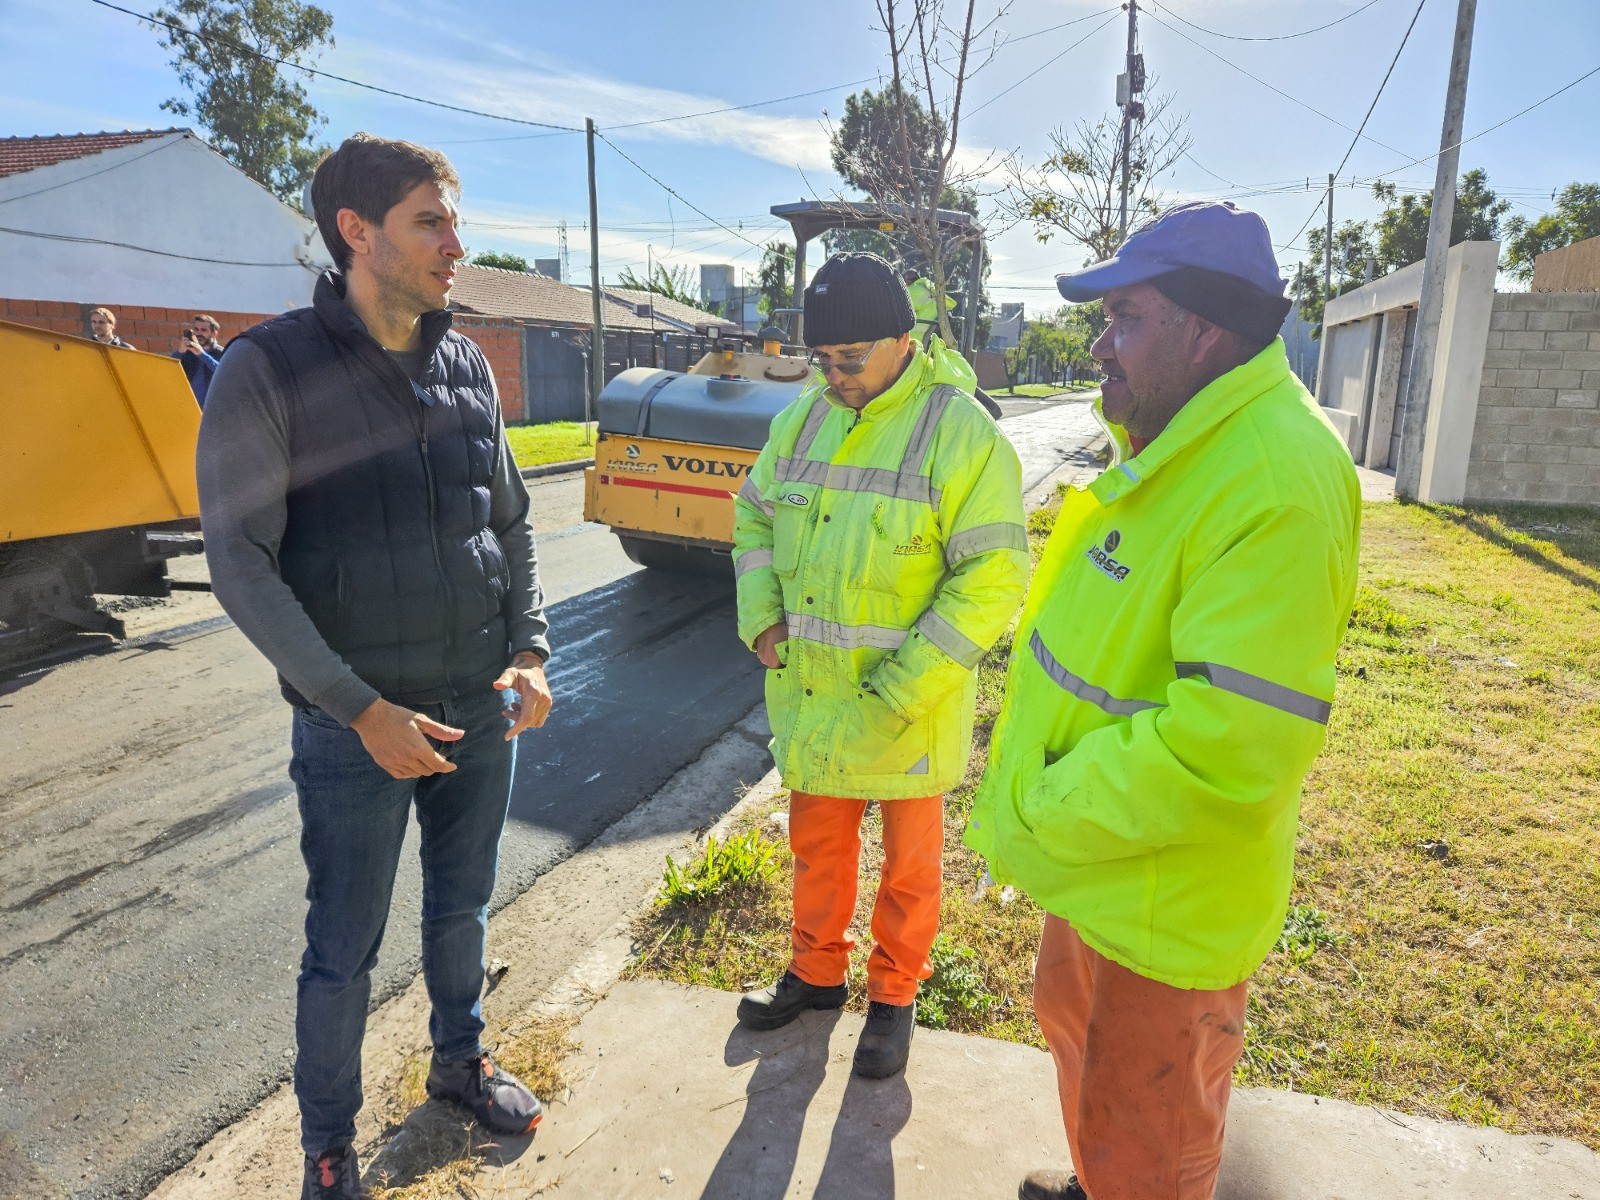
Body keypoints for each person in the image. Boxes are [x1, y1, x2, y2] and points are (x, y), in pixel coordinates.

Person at [963, 201, 1361, 1200]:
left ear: (1205, 331)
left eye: (1124, 318)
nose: (1099, 345)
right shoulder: (1182, 437)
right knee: (1092, 1083)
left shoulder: (1274, 476)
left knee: (1148, 1144)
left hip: (1159, 901)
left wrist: (1040, 805)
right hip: (1105, 869)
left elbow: (1227, 750)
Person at [196, 133, 554, 1200]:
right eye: (430, 222)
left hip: (480, 705)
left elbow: (513, 521)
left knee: (463, 909)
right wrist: (356, 708)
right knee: (342, 951)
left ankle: (459, 1069)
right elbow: (240, 563)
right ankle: (328, 1149)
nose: (456, 245)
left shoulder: (463, 362)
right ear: (356, 232)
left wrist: (530, 647)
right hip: (356, 729)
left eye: (453, 220)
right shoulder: (269, 369)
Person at [731, 252, 1027, 1080]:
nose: (835, 376)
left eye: (849, 359)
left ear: (903, 340)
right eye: (821, 361)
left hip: (906, 705)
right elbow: (754, 518)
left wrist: (904, 687)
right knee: (816, 850)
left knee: (909, 869)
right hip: (819, 696)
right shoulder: (803, 420)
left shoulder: (960, 431)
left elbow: (994, 577)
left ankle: (893, 997)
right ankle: (817, 974)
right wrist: (762, 619)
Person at [170, 327, 218, 407]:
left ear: (214, 334)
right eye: (196, 329)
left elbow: (223, 371)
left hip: (211, 409)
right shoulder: (187, 352)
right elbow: (170, 369)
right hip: (188, 407)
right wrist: (180, 352)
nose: (199, 333)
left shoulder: (221, 351)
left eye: (204, 330)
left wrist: (202, 354)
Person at [902, 267, 953, 339]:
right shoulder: (930, 289)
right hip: (931, 334)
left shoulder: (911, 290)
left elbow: (901, 312)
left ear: (906, 281)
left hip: (915, 337)